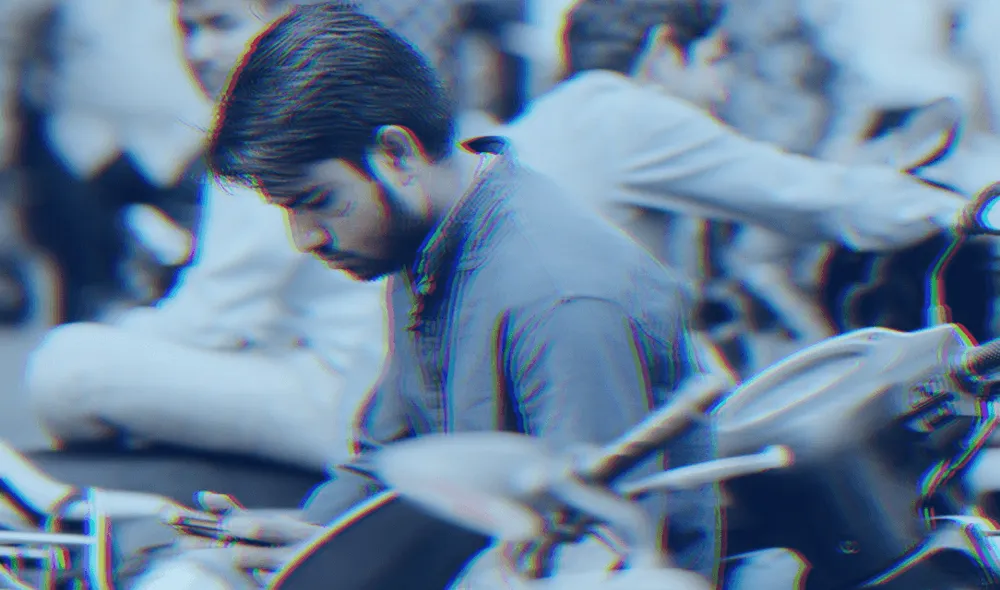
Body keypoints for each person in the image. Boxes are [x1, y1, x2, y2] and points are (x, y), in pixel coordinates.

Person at [128, 2, 724, 587]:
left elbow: (594, 559)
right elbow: (387, 457)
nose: (304, 238)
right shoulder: (426, 242)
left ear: (395, 154)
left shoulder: (562, 300)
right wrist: (311, 537)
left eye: (317, 202)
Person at [499, 0, 970, 373]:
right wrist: (959, 212)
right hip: (590, 376)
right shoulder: (631, 114)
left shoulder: (537, 122)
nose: (723, 90)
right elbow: (812, 197)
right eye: (715, 60)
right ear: (662, 53)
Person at [22, 0, 389, 472]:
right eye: (187, 30)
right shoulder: (322, 93)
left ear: (289, 18)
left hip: (335, 405)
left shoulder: (280, 119)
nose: (201, 51)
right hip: (335, 384)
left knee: (65, 363)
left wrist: (119, 332)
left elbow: (208, 323)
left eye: (222, 25)